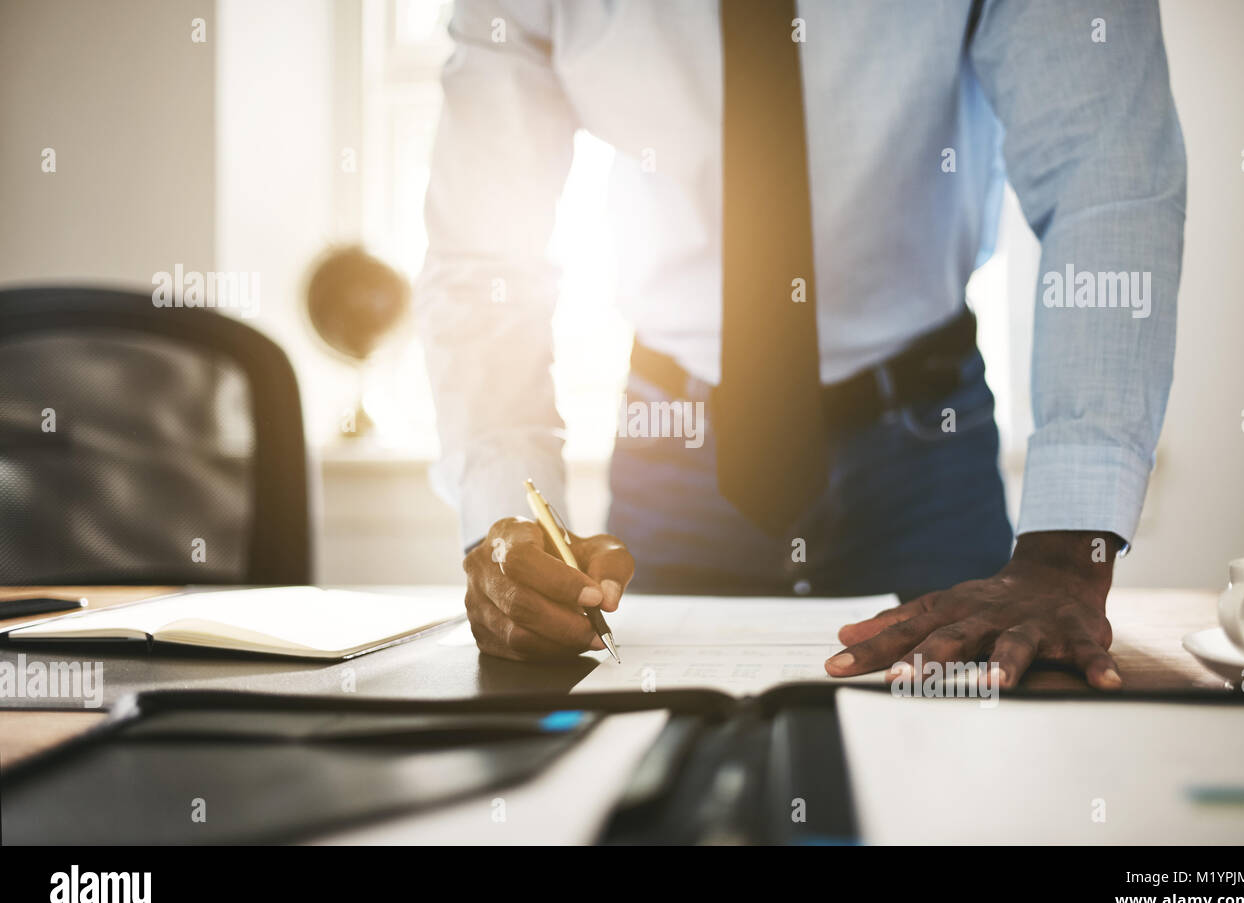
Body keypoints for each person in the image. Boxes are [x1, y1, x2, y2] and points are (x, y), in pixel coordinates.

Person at [416, 0, 1185, 689]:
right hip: (675, 444)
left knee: (965, 776)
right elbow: (483, 259)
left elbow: (1107, 177)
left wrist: (1065, 550)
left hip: (930, 448)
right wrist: (503, 520)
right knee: (656, 778)